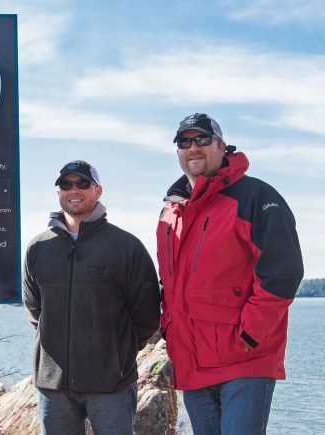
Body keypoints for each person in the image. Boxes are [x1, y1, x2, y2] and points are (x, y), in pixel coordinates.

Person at [156, 113, 304, 434]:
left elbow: (282, 274)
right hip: (192, 363)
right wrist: (169, 330)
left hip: (244, 362)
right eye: (184, 142)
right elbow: (168, 282)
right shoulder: (171, 212)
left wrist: (248, 336)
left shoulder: (256, 197)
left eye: (202, 139)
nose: (193, 147)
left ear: (222, 147)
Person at [23, 160, 161, 435]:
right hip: (54, 386)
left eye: (83, 183)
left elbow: (147, 315)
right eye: (66, 184)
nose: (74, 190)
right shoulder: (38, 247)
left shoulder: (126, 246)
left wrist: (116, 354)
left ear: (98, 191)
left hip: (111, 385)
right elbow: (36, 310)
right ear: (58, 192)